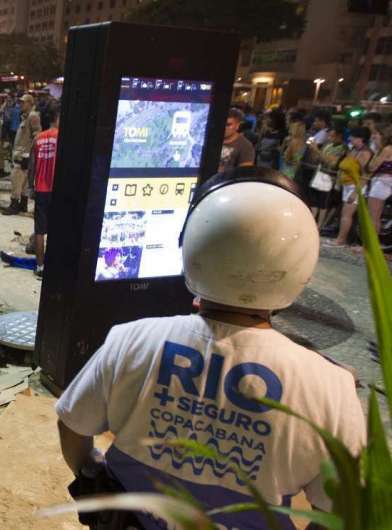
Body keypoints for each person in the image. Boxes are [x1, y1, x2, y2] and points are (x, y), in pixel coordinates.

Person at [55, 169, 365, 530]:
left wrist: (91, 475)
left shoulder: (131, 340)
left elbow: (72, 424)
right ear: (303, 264)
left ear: (191, 244)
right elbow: (342, 512)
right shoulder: (331, 388)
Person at [29, 107, 59, 276]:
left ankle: (40, 266)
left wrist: (30, 187)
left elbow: (32, 166)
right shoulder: (61, 136)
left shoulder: (37, 138)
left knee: (40, 230)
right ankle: (53, 264)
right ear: (57, 117)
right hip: (56, 188)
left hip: (41, 188)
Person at [332, 127, 374, 246]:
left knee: (347, 214)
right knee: (344, 214)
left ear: (361, 138)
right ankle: (342, 238)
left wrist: (356, 192)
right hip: (346, 185)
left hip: (356, 186)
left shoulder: (365, 153)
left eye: (353, 137)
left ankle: (341, 239)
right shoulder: (353, 150)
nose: (350, 138)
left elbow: (365, 175)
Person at [3, 94, 42, 215]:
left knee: (16, 179)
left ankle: (14, 204)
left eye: (23, 102)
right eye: (20, 102)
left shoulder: (32, 116)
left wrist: (29, 154)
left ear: (30, 103)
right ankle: (23, 204)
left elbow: (37, 134)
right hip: (24, 155)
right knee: (24, 182)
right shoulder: (26, 117)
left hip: (23, 156)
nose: (20, 104)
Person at [306, 127, 347, 227]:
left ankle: (319, 226)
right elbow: (318, 158)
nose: (329, 137)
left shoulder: (342, 148)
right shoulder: (328, 145)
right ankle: (310, 223)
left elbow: (331, 163)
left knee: (323, 204)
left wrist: (317, 150)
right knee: (314, 202)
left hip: (329, 177)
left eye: (332, 135)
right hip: (319, 174)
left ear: (339, 136)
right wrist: (313, 150)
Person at [366, 128, 392, 238]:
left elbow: (372, 167)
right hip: (386, 183)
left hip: (381, 183)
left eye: (376, 134)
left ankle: (370, 246)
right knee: (377, 216)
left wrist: (376, 152)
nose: (373, 137)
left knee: (373, 217)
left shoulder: (386, 149)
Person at [219, 107, 255, 172]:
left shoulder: (245, 146)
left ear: (237, 125)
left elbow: (244, 173)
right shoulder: (210, 140)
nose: (224, 127)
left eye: (228, 124)